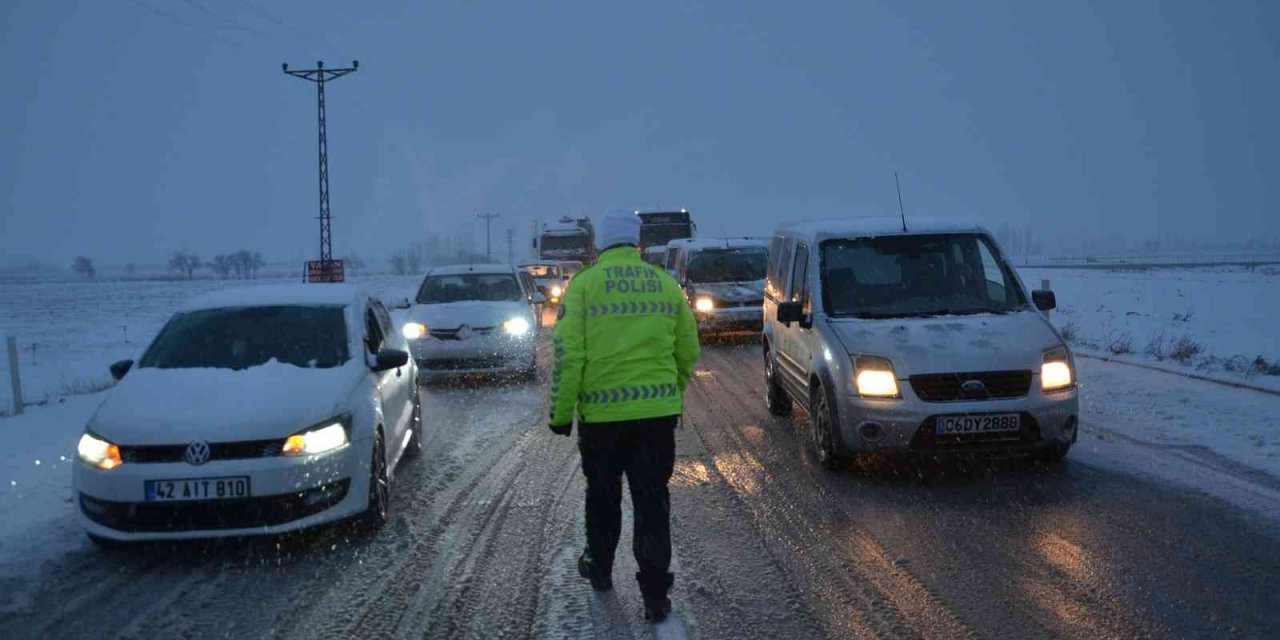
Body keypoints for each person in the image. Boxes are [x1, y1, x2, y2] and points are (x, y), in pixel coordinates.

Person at [548, 212, 700, 622]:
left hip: (601, 423)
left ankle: (598, 566)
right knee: (651, 504)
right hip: (655, 420)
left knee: (603, 496)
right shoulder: (665, 285)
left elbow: (567, 356)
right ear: (639, 245)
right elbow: (688, 350)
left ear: (599, 246)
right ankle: (655, 595)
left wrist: (561, 414)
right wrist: (669, 391)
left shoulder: (582, 288)